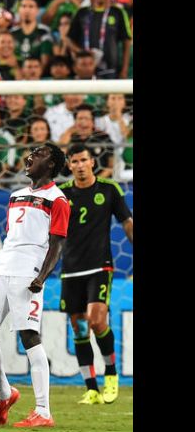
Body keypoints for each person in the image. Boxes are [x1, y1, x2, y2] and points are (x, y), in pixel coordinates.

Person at [0, 142, 70, 428]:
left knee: (29, 336)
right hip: (1, 272)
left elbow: (57, 243)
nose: (30, 156)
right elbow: (11, 243)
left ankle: (43, 411)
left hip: (28, 273)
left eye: (39, 154)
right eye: (31, 152)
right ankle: (6, 394)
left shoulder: (57, 200)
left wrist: (42, 276)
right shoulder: (16, 195)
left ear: (51, 165)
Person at [58, 145, 133, 405]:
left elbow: (127, 222)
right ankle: (91, 388)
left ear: (92, 162)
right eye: (75, 161)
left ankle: (111, 376)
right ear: (69, 165)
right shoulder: (62, 194)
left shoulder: (109, 189)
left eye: (84, 160)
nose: (80, 165)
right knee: (79, 328)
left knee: (97, 319)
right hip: (70, 269)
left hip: (100, 266)